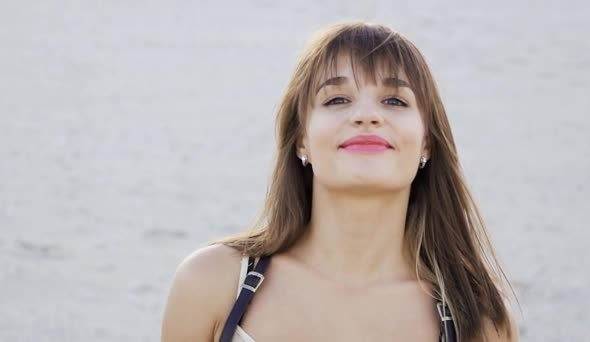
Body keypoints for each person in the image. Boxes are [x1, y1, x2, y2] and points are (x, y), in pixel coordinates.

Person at [161, 22, 519, 342]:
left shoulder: (477, 317)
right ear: (301, 140)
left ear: (427, 141)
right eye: (337, 99)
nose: (366, 116)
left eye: (394, 100)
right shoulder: (213, 284)